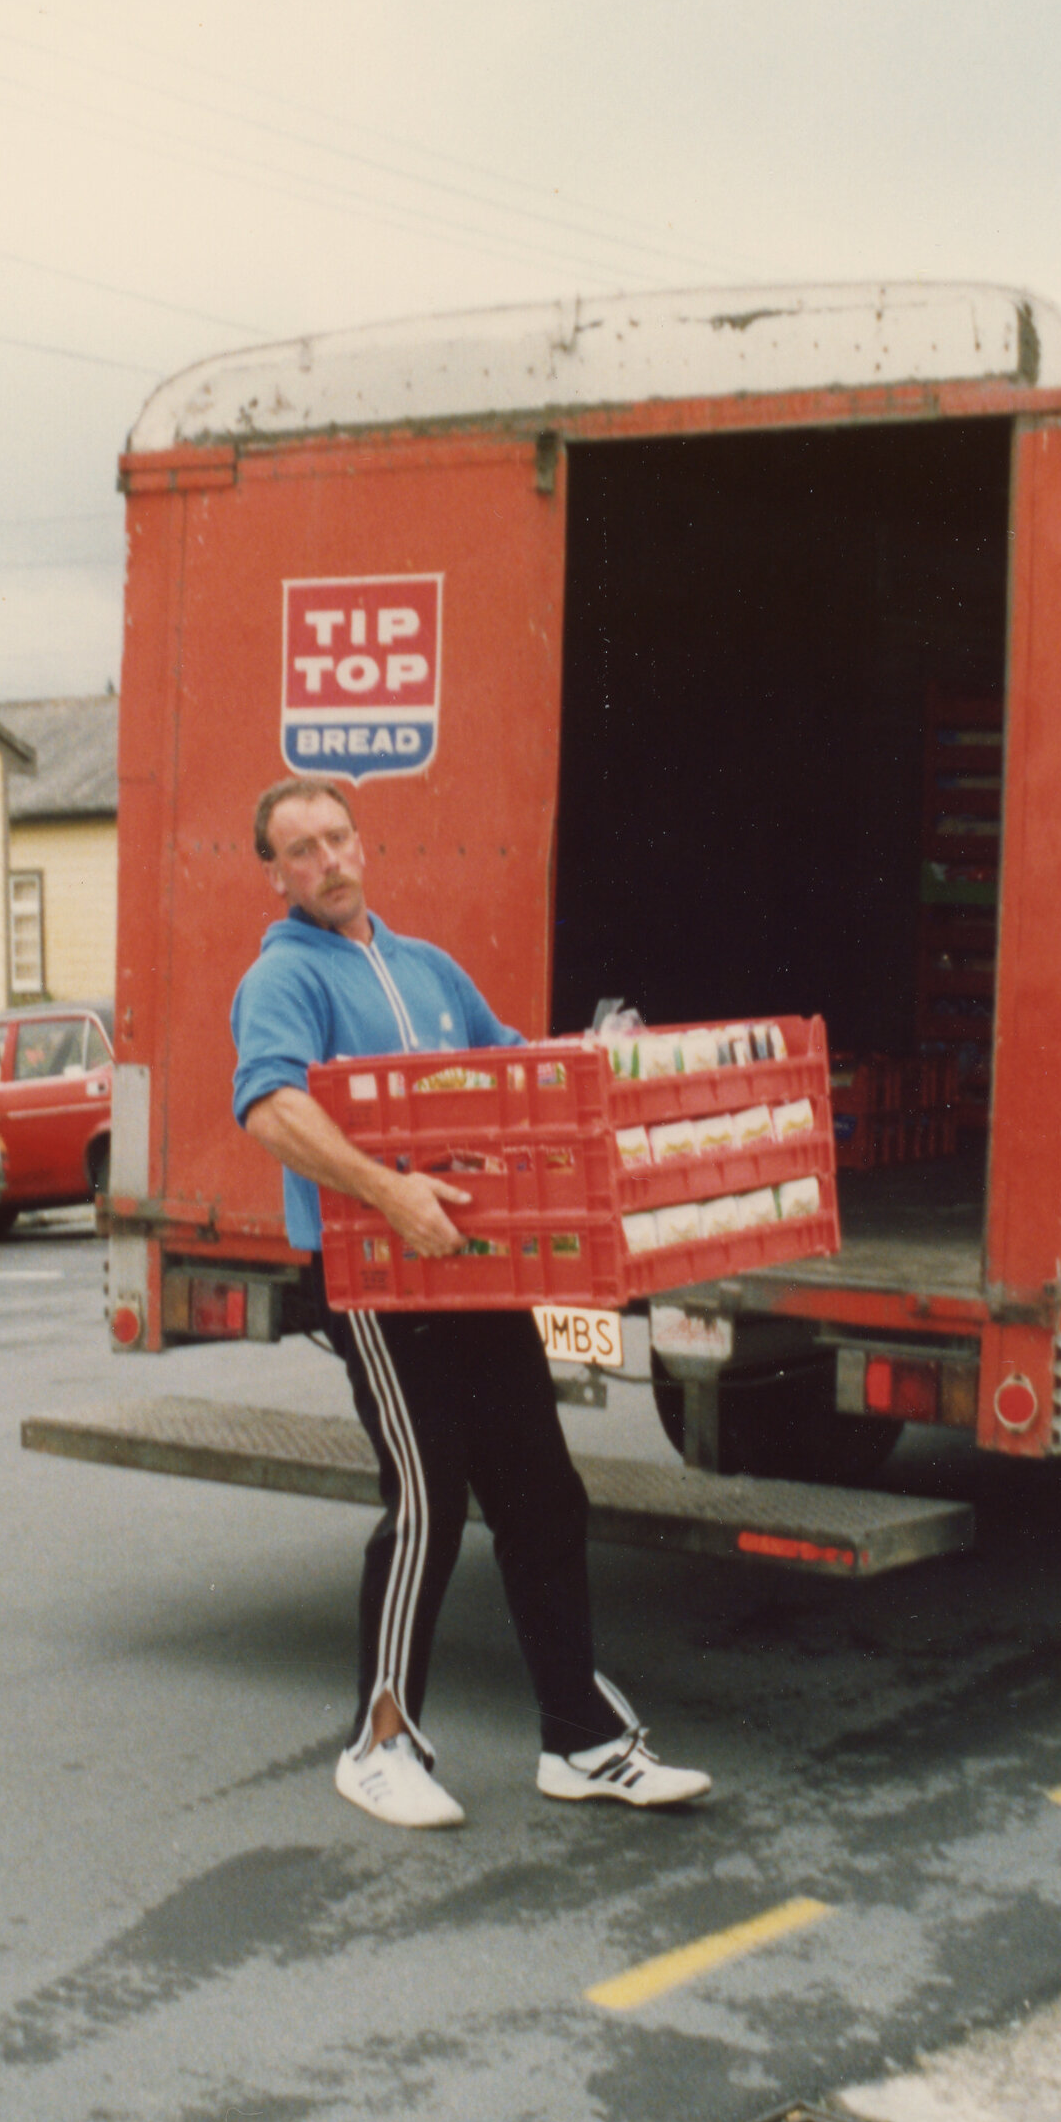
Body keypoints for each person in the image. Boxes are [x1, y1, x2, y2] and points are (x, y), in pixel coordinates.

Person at [231, 776, 710, 1831]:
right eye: (300, 850)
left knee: (543, 1494)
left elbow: (507, 1065)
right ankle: (380, 1743)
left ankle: (579, 1741)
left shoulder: (425, 967)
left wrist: (589, 1058)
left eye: (337, 838)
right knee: (427, 1502)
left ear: (363, 843)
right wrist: (387, 1189)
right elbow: (269, 1106)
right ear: (276, 874)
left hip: (476, 1269)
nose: (327, 861)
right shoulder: (281, 978)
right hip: (372, 1280)